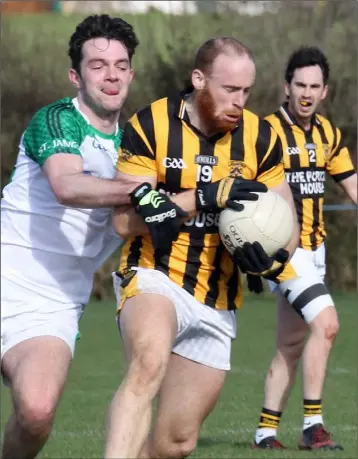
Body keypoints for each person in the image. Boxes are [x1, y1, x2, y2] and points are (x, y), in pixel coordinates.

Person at [103, 37, 300, 459]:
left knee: (176, 444)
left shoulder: (261, 138)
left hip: (217, 298)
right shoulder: (150, 126)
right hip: (155, 274)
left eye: (246, 92)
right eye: (230, 90)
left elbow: (288, 226)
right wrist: (204, 196)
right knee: (148, 364)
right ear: (198, 79)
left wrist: (270, 258)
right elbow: (123, 220)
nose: (239, 102)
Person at [0, 14, 142, 459]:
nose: (111, 74)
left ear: (131, 74)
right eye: (98, 65)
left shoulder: (138, 147)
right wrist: (141, 191)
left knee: (37, 412)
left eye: (120, 64)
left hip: (52, 305)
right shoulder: (57, 120)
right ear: (75, 75)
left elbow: (138, 219)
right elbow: (68, 186)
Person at [252, 46, 357, 451]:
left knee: (292, 344)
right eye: (300, 85)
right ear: (286, 87)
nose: (307, 93)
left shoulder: (329, 134)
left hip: (317, 251)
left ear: (325, 91)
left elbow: (351, 185)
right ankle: (314, 426)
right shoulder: (264, 132)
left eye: (315, 86)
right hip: (285, 252)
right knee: (327, 325)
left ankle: (265, 432)